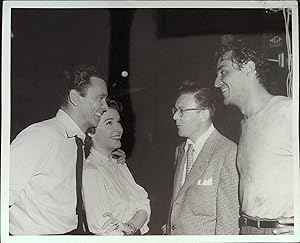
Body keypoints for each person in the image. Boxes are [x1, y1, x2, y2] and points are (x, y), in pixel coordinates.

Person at [9, 64, 109, 235]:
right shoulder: (41, 136)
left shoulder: (78, 143)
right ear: (75, 98)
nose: (105, 106)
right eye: (100, 98)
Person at [214, 40, 294, 235]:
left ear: (249, 68)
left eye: (223, 72)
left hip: (277, 232)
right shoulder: (245, 125)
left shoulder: (287, 110)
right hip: (248, 229)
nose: (216, 83)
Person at [164, 82, 240, 235]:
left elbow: (228, 222)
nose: (174, 116)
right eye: (175, 110)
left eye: (181, 111)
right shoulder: (180, 150)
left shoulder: (227, 152)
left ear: (204, 114)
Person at [82, 98, 151, 235]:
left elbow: (144, 204)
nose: (119, 129)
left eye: (118, 122)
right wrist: (132, 228)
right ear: (91, 132)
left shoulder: (119, 164)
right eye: (109, 123)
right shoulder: (91, 172)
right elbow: (104, 229)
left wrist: (129, 228)